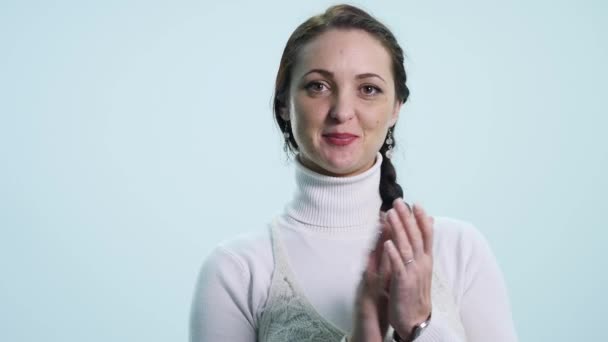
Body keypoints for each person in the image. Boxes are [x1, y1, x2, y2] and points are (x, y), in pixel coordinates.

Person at [189, 4, 518, 342]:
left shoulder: (459, 249)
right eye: (318, 86)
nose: (342, 111)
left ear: (395, 108)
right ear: (285, 103)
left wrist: (419, 324)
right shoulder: (237, 269)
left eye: (368, 89)